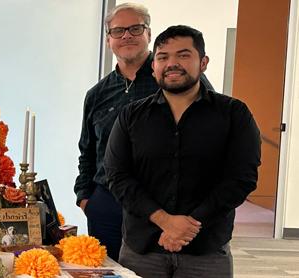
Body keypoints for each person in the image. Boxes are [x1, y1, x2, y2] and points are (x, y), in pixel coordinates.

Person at [105, 25, 260, 277]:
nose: (172, 63)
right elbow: (117, 175)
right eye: (163, 57)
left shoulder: (234, 114)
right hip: (142, 250)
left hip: (206, 250)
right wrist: (165, 221)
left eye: (184, 55)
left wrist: (188, 226)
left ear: (203, 62)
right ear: (154, 66)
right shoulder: (131, 116)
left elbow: (241, 178)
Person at [73, 3, 213, 260]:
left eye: (135, 28)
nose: (127, 35)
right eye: (118, 31)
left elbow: (209, 134)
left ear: (149, 34)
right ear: (108, 40)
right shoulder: (97, 95)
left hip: (164, 205)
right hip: (107, 202)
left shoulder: (177, 78)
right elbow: (87, 149)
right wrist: (85, 197)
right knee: (108, 272)